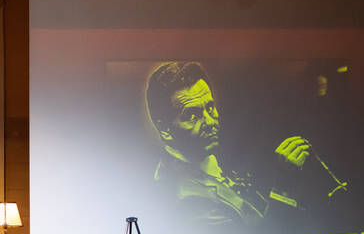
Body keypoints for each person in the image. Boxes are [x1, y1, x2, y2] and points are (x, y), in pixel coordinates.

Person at [144, 60, 344, 225]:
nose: (210, 122)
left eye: (210, 108)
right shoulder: (186, 198)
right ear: (165, 130)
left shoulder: (210, 161)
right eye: (192, 116)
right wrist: (284, 189)